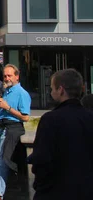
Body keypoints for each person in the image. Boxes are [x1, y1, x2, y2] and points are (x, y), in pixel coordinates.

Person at [28, 69, 93, 200]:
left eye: (52, 89)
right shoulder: (89, 117)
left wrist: (40, 186)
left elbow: (41, 160)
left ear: (61, 90)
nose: (51, 93)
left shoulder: (51, 119)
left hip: (56, 190)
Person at [0, 64, 31, 200]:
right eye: (5, 76)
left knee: (1, 161)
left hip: (12, 129)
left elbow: (25, 117)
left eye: (9, 75)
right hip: (2, 128)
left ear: (17, 76)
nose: (6, 78)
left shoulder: (22, 93)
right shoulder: (7, 91)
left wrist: (8, 107)